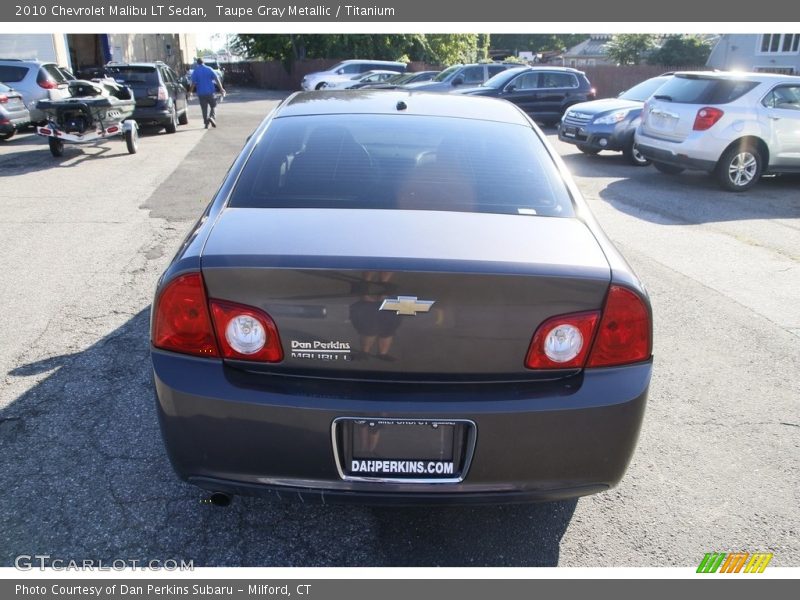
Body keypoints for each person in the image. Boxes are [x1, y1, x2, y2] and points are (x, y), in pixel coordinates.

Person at [190, 57, 226, 129]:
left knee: (204, 109)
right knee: (214, 106)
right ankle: (212, 117)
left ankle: (206, 124)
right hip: (210, 92)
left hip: (201, 93)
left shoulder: (195, 71)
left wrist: (190, 91)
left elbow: (193, 83)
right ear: (204, 62)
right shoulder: (209, 69)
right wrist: (221, 88)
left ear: (197, 63)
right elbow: (216, 79)